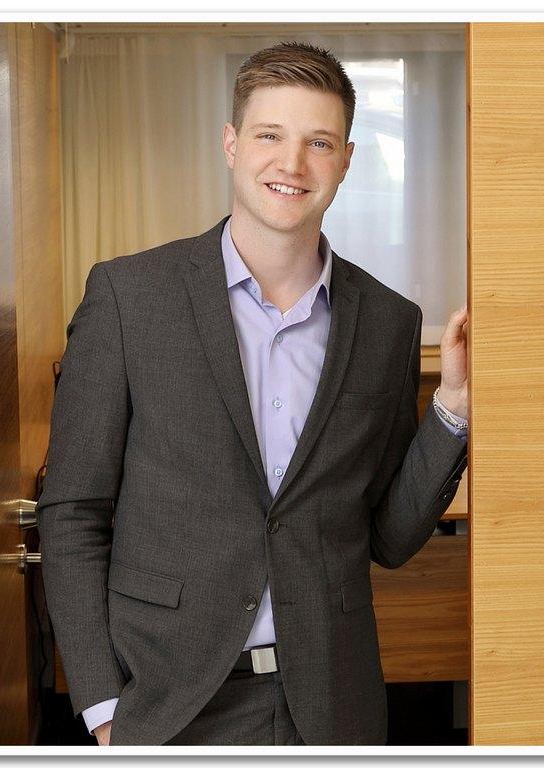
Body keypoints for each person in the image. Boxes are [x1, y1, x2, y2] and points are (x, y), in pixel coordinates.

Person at [37, 41, 469, 747]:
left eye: (318, 143)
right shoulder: (129, 297)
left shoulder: (390, 323)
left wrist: (452, 408)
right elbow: (73, 512)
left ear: (346, 160)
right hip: (166, 707)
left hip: (330, 708)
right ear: (232, 144)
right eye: (270, 135)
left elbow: (389, 537)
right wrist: (103, 708)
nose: (292, 164)